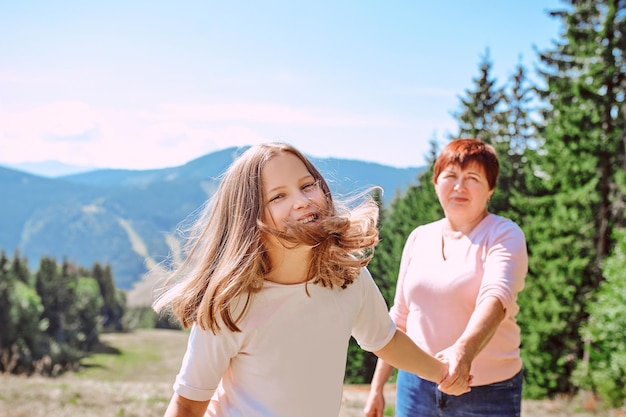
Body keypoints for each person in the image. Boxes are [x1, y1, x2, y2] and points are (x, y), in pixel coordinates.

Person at [152, 142, 470, 417]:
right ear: (250, 217)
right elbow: (188, 405)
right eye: (278, 196)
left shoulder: (347, 276)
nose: (302, 201)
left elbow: (385, 340)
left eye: (307, 185)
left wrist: (441, 373)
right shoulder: (231, 304)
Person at [364, 138, 529, 417]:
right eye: (450, 175)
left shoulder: (504, 234)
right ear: (435, 183)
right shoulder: (419, 237)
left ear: (490, 189)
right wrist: (377, 387)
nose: (459, 186)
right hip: (415, 386)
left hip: (487, 392)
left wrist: (462, 355)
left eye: (472, 178)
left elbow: (496, 298)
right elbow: (401, 316)